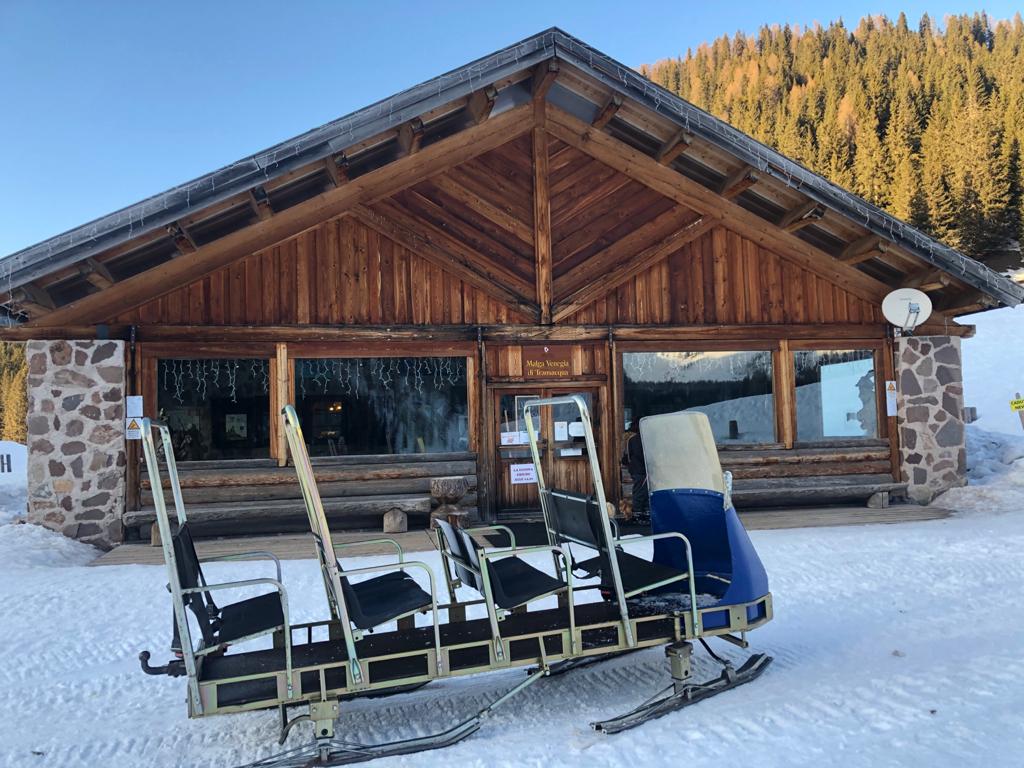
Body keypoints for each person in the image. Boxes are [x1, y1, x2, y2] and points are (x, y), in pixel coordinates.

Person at [622, 412, 650, 525]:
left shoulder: (632, 439)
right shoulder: (640, 439)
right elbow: (642, 455)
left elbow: (626, 457)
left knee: (643, 491)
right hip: (642, 469)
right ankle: (639, 513)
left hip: (637, 469)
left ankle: (643, 512)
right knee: (641, 491)